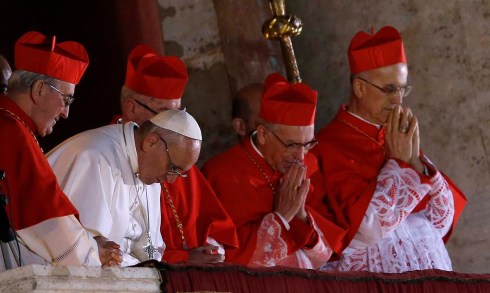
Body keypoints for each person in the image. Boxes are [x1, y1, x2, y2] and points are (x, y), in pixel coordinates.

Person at [314, 26, 467, 273]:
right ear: (359, 88)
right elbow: (366, 230)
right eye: (389, 89)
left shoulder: (394, 134)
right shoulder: (329, 146)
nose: (398, 100)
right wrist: (397, 164)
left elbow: (440, 222)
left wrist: (416, 163)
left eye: (402, 88)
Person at [202, 73, 345, 269]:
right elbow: (226, 259)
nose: (301, 157)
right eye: (292, 145)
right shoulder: (220, 173)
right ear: (262, 134)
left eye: (308, 144)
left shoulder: (308, 165)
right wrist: (281, 217)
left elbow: (325, 255)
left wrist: (301, 217)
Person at [114, 44, 238, 264]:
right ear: (131, 108)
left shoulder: (179, 152)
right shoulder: (109, 156)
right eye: (165, 114)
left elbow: (215, 227)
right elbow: (119, 246)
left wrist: (210, 250)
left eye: (178, 112)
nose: (177, 124)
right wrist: (182, 259)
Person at [48, 109, 202, 267]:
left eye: (178, 173)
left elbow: (151, 252)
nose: (171, 179)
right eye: (172, 167)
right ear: (151, 142)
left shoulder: (150, 170)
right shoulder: (95, 157)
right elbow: (85, 252)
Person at [0, 31, 101, 270]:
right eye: (66, 100)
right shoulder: (11, 131)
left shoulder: (15, 125)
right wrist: (92, 258)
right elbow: (46, 221)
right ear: (40, 90)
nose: (66, 113)